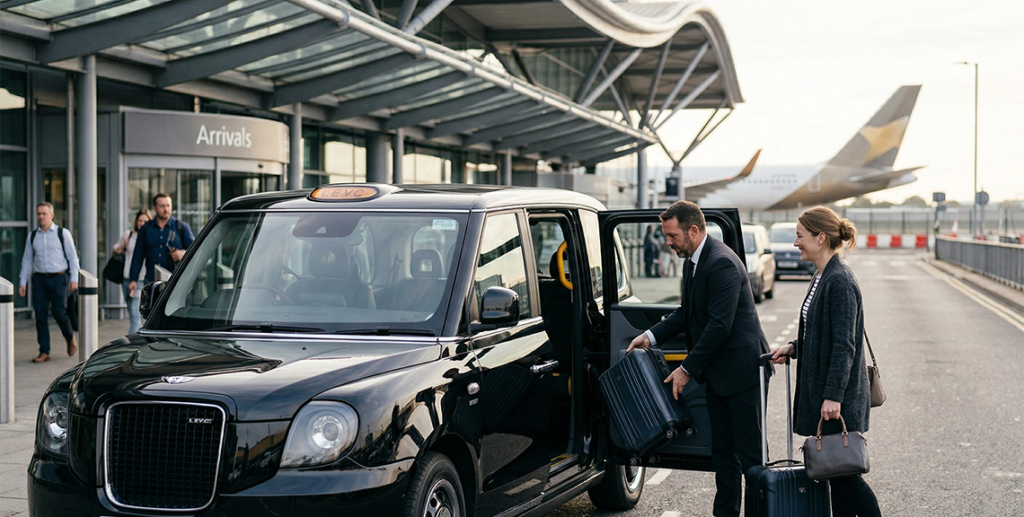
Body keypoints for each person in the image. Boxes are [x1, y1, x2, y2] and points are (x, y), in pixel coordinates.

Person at [627, 200, 770, 517]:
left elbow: (720, 326)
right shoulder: (693, 261)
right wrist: (648, 336)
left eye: (672, 235)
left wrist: (686, 369)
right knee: (723, 455)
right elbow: (686, 314)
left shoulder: (721, 263)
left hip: (743, 373)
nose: (667, 242)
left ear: (693, 230)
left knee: (750, 458)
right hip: (720, 375)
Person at [770, 207, 880, 517]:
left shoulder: (840, 280)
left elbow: (844, 345)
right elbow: (822, 331)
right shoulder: (822, 275)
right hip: (827, 393)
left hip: (838, 398)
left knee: (846, 477)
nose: (795, 243)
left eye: (800, 236)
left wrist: (833, 395)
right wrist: (794, 346)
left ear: (821, 238)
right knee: (835, 476)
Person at [18, 202, 79, 363]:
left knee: (59, 313)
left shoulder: (62, 233)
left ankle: (70, 337)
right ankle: (44, 351)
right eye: (39, 214)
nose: (41, 217)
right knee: (40, 315)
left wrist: (74, 279)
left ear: (51, 215)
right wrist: (22, 281)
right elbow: (27, 260)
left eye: (44, 213)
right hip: (39, 279)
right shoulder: (32, 236)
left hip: (59, 278)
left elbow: (73, 257)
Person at [128, 194, 195, 296]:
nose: (166, 209)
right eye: (162, 206)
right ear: (154, 208)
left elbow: (196, 252)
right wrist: (133, 279)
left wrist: (183, 254)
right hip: (152, 284)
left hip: (176, 284)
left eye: (168, 205)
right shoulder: (146, 229)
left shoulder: (181, 227)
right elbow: (138, 255)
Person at [113, 209, 151, 334]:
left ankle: (132, 343)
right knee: (132, 311)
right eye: (140, 220)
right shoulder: (129, 235)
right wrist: (118, 249)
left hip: (141, 279)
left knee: (135, 313)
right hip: (126, 278)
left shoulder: (151, 236)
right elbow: (116, 247)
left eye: (145, 221)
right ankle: (140, 336)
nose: (142, 223)